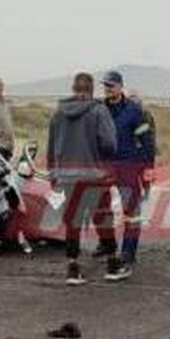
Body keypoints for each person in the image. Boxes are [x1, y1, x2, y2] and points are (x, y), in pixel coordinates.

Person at [46, 72, 122, 285]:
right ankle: (113, 264)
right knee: (103, 218)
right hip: (94, 175)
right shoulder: (99, 111)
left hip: (66, 176)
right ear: (91, 90)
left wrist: (54, 174)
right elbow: (109, 144)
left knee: (73, 221)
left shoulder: (58, 113)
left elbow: (51, 146)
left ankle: (73, 268)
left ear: (73, 88)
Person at [94, 70, 155, 272]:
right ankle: (106, 243)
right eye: (105, 85)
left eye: (111, 85)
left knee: (132, 211)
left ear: (120, 86)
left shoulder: (134, 110)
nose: (108, 89)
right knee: (99, 209)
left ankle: (129, 251)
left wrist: (148, 166)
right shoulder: (98, 109)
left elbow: (146, 140)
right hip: (104, 165)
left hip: (128, 165)